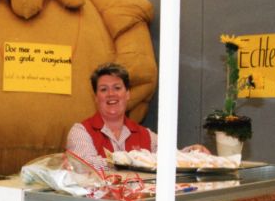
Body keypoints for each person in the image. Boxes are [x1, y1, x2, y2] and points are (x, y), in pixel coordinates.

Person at [67, 62, 209, 171]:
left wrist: (192, 152)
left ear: (127, 94)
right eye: (104, 89)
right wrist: (134, 160)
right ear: (96, 97)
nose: (111, 94)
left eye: (117, 88)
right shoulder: (80, 132)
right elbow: (84, 166)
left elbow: (171, 157)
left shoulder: (146, 135)